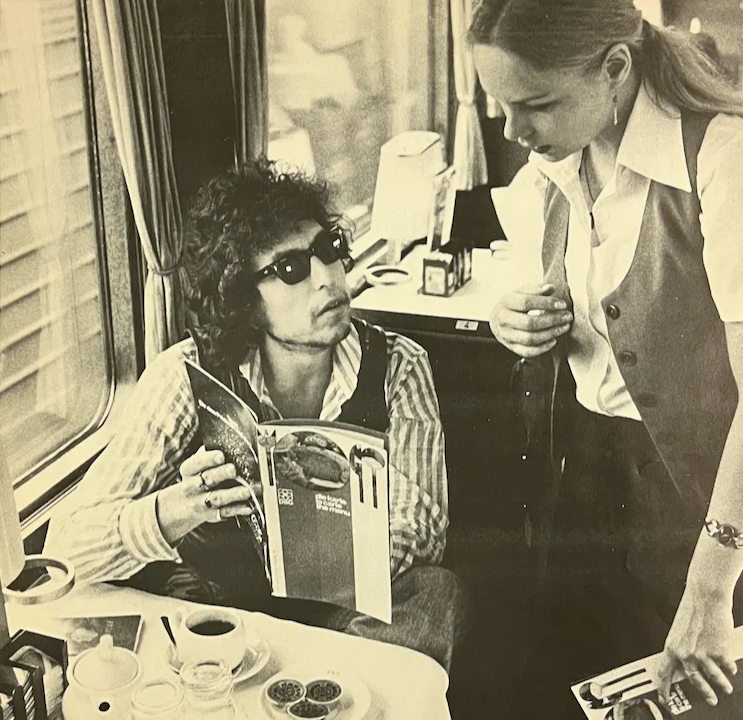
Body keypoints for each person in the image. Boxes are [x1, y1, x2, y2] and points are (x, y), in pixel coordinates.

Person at [469, 0, 743, 720]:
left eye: (533, 104)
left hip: (702, 503)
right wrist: (518, 319)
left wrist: (709, 590)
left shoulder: (730, 161)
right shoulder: (556, 158)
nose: (512, 132)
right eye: (499, 106)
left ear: (614, 67)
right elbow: (592, 309)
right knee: (580, 707)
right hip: (582, 485)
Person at [44, 160, 467, 672]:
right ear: (243, 300)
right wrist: (173, 511)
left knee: (435, 596)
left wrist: (323, 555)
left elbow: (423, 526)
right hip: (222, 606)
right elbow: (65, 545)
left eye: (328, 250)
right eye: (291, 269)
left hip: (348, 611)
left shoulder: (399, 365)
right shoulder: (184, 375)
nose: (326, 279)